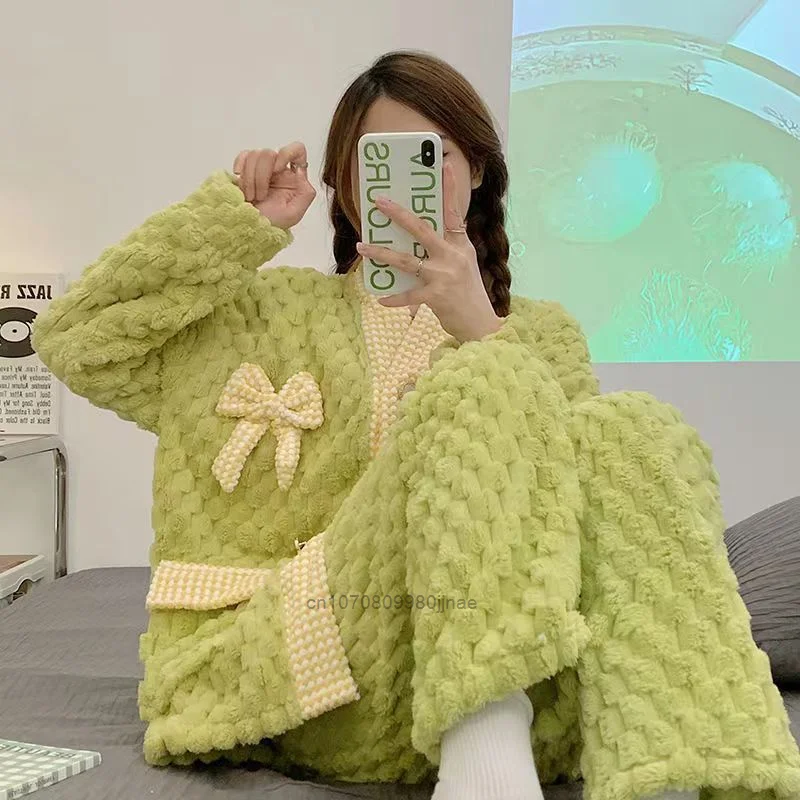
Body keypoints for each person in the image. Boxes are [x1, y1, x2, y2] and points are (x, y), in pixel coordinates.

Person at [33, 51, 799, 800]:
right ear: (343, 183)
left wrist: (481, 328)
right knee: (482, 380)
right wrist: (232, 225)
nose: (405, 182)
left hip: (503, 692)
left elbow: (576, 524)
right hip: (292, 677)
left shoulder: (540, 333)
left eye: (432, 156)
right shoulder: (258, 313)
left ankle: (710, 770)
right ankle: (484, 746)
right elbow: (75, 339)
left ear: (477, 172)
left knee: (634, 426)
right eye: (379, 160)